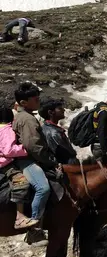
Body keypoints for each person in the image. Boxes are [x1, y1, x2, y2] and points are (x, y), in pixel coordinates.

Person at [12, 82, 55, 246]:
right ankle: (34, 230)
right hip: (27, 160)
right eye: (35, 99)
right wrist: (49, 161)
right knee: (43, 188)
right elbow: (33, 146)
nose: (38, 100)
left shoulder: (26, 116)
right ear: (23, 103)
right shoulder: (27, 119)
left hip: (31, 157)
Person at [0, 103, 38, 230]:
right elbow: (9, 151)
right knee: (22, 182)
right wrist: (26, 149)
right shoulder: (6, 129)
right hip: (5, 165)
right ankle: (20, 217)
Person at [39, 99, 78, 165]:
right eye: (60, 108)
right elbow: (67, 155)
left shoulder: (44, 127)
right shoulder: (54, 133)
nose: (64, 110)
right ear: (51, 112)